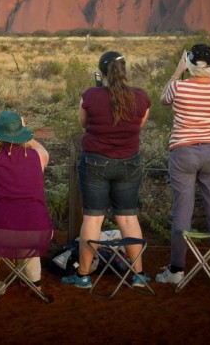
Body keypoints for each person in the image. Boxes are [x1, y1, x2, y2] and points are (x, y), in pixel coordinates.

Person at [62, 51, 151, 289]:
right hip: (129, 162)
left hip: (96, 163)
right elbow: (139, 124)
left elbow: (83, 123)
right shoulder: (141, 96)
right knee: (128, 217)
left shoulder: (90, 95)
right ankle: (139, 275)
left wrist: (99, 92)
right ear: (124, 70)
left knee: (93, 218)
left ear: (101, 72)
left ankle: (83, 276)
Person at [155, 44, 210, 286]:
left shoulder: (178, 87)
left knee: (182, 211)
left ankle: (176, 270)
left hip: (183, 152)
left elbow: (163, 99)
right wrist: (208, 73)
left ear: (189, 63)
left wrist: (179, 69)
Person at [0, 111, 53, 293]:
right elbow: (39, 148)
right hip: (39, 233)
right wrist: (23, 133)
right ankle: (34, 281)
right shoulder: (39, 157)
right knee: (28, 228)